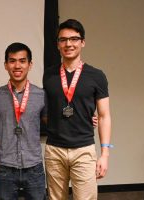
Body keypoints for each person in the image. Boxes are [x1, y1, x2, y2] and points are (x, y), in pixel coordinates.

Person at [43, 19, 112, 200]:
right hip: (54, 149)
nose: (68, 44)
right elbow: (48, 110)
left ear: (82, 42)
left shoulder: (96, 76)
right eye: (63, 40)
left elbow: (104, 116)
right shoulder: (49, 75)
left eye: (74, 39)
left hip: (83, 149)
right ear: (58, 44)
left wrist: (105, 154)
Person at [0, 42, 47, 200]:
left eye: (22, 61)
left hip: (34, 167)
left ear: (30, 64)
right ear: (6, 65)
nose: (17, 66)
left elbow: (55, 123)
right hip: (6, 168)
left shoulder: (41, 95)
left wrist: (83, 117)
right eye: (12, 61)